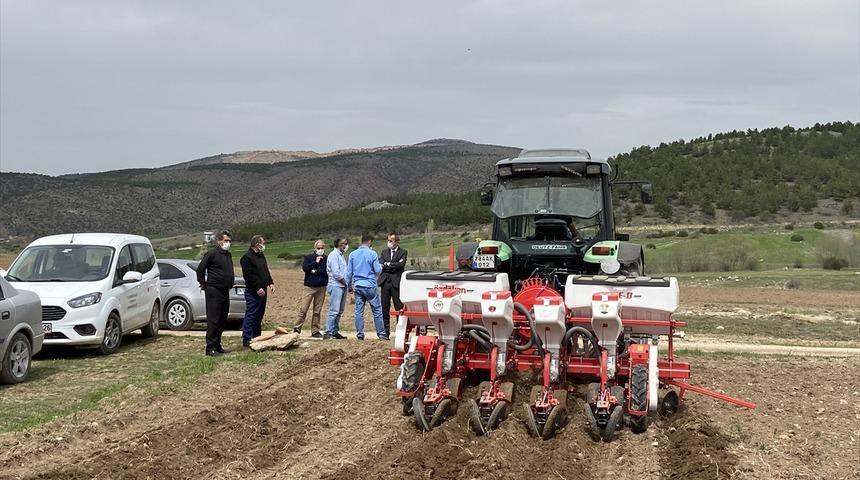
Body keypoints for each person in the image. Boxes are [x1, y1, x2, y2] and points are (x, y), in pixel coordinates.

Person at [196, 230, 236, 356]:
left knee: (222, 319)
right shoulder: (212, 254)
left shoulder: (228, 255)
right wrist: (203, 283)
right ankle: (210, 347)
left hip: (225, 291)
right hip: (214, 291)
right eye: (225, 241)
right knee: (214, 320)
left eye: (229, 241)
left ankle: (218, 345)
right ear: (219, 241)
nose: (228, 243)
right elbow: (200, 269)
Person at [345, 233, 385, 340]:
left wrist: (349, 286)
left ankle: (360, 334)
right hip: (370, 285)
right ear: (369, 242)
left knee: (359, 311)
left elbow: (348, 273)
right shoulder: (372, 254)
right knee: (376, 310)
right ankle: (381, 334)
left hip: (358, 285)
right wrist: (381, 266)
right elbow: (377, 270)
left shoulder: (352, 254)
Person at [240, 235, 275, 348]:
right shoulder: (247, 257)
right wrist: (257, 288)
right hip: (253, 291)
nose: (263, 246)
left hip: (263, 290)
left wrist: (270, 282)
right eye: (262, 243)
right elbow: (248, 276)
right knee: (251, 315)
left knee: (259, 315)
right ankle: (247, 338)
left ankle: (257, 336)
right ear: (257, 244)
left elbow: (265, 270)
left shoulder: (261, 255)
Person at [294, 239, 327, 338]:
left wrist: (314, 271)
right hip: (309, 286)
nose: (320, 249)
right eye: (318, 248)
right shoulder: (309, 258)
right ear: (314, 248)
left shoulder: (326, 258)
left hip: (321, 287)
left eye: (322, 248)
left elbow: (325, 270)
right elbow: (305, 268)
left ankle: (315, 330)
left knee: (317, 311)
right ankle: (297, 328)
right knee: (303, 309)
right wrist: (315, 263)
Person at [378, 231, 407, 337]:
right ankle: (385, 332)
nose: (389, 242)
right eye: (388, 240)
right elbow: (381, 264)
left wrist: (388, 264)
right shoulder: (384, 252)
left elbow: (400, 265)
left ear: (397, 242)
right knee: (385, 307)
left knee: (399, 307)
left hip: (396, 283)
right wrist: (390, 265)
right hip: (385, 282)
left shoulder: (403, 252)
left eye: (391, 240)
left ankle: (400, 332)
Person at [324, 237, 349, 340]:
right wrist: (345, 282)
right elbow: (336, 273)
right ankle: (328, 331)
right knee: (334, 310)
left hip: (342, 285)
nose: (346, 245)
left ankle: (334, 331)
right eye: (344, 243)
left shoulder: (341, 256)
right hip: (336, 285)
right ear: (339, 244)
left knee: (340, 310)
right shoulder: (334, 255)